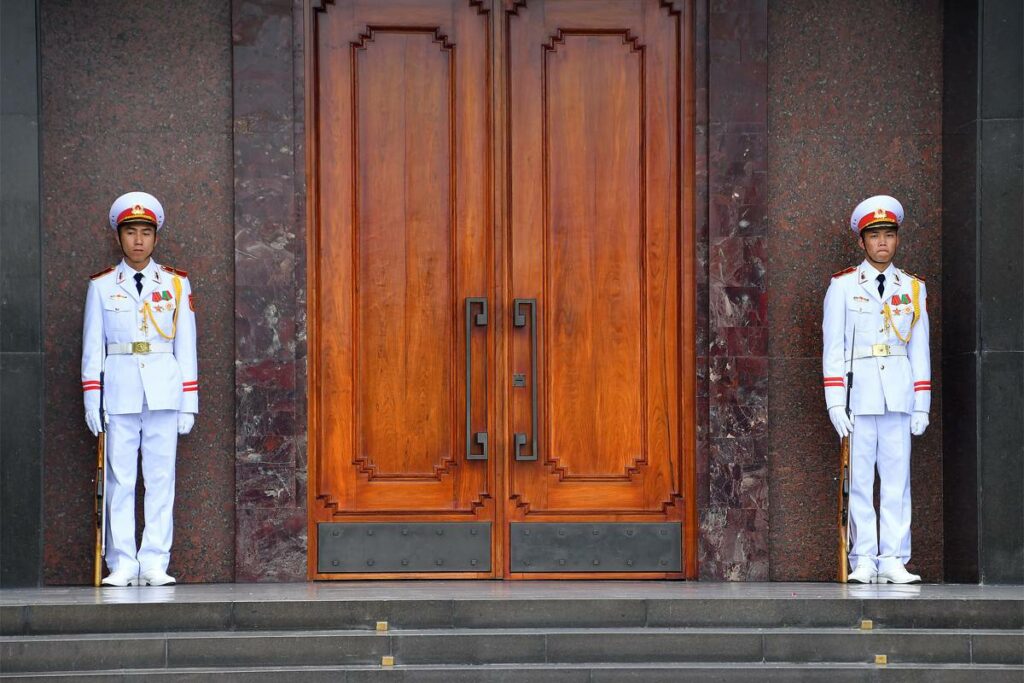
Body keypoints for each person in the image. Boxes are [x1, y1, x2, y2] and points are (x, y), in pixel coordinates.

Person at [82, 191, 198, 586]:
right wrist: (91, 399)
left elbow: (186, 345)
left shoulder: (176, 284)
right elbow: (92, 347)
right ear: (119, 237)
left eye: (145, 232)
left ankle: (154, 561)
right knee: (120, 480)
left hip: (164, 391)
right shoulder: (101, 286)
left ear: (155, 237)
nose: (138, 240)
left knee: (161, 478)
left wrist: (189, 403)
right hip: (119, 391)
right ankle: (122, 562)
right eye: (130, 232)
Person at [822, 194, 930, 584]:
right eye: (874, 235)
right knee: (861, 479)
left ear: (897, 239)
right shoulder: (844, 286)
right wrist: (836, 401)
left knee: (897, 480)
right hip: (860, 396)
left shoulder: (913, 288)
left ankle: (894, 558)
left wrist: (922, 402)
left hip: (899, 394)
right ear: (861, 241)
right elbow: (833, 347)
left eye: (889, 234)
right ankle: (864, 557)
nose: (882, 242)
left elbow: (920, 348)